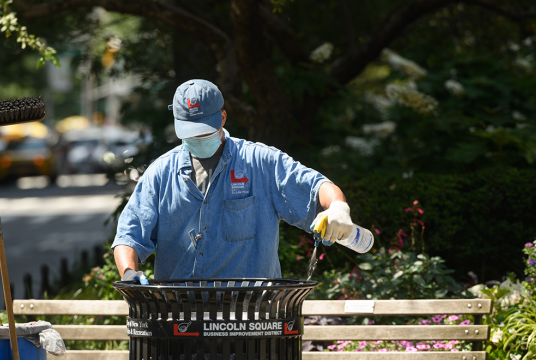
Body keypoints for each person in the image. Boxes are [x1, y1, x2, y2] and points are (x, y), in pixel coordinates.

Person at [112, 79, 355, 282]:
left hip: (251, 317)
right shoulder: (161, 173)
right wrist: (129, 273)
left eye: (204, 131)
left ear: (223, 118)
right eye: (190, 133)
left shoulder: (261, 162)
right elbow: (129, 235)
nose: (197, 138)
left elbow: (317, 186)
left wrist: (338, 207)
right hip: (180, 317)